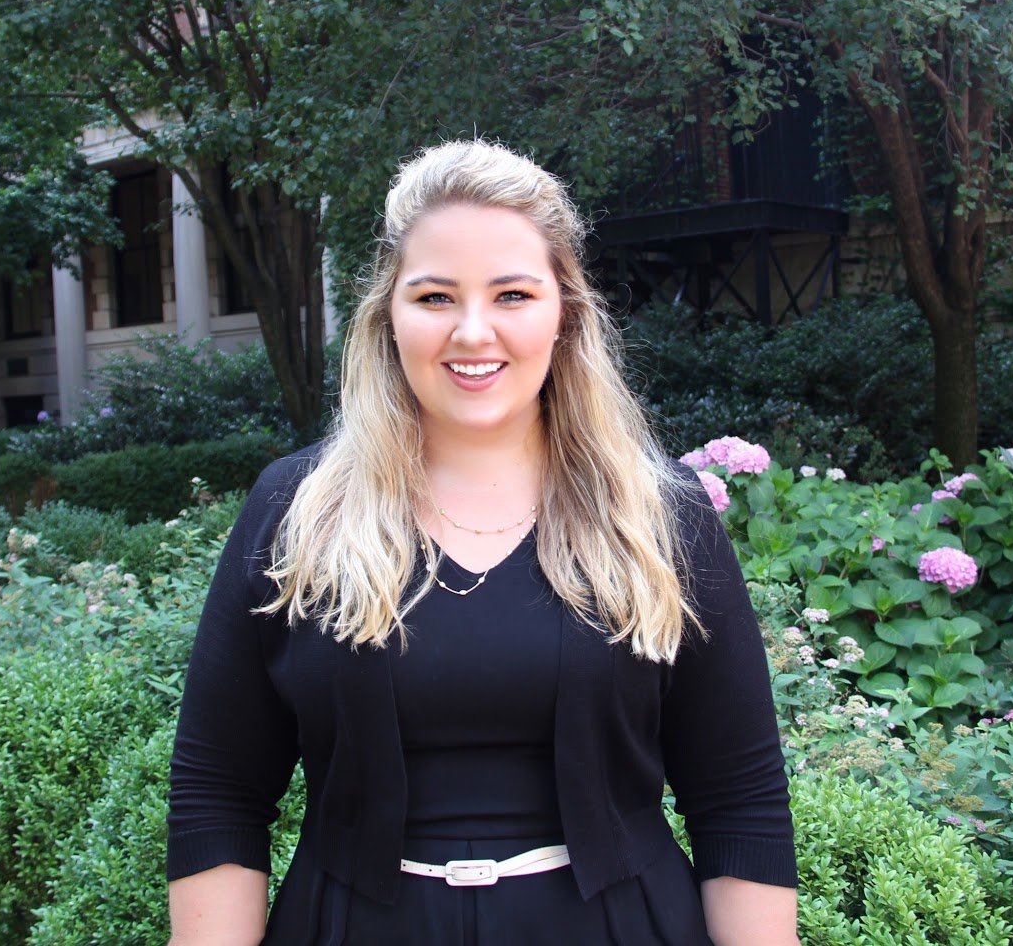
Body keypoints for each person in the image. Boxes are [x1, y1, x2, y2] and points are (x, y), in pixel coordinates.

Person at [167, 141, 798, 945]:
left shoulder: (661, 515)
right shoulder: (296, 510)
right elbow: (220, 792)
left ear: (564, 312)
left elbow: (737, 798)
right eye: (434, 296)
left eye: (512, 294)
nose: (473, 332)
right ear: (387, 312)